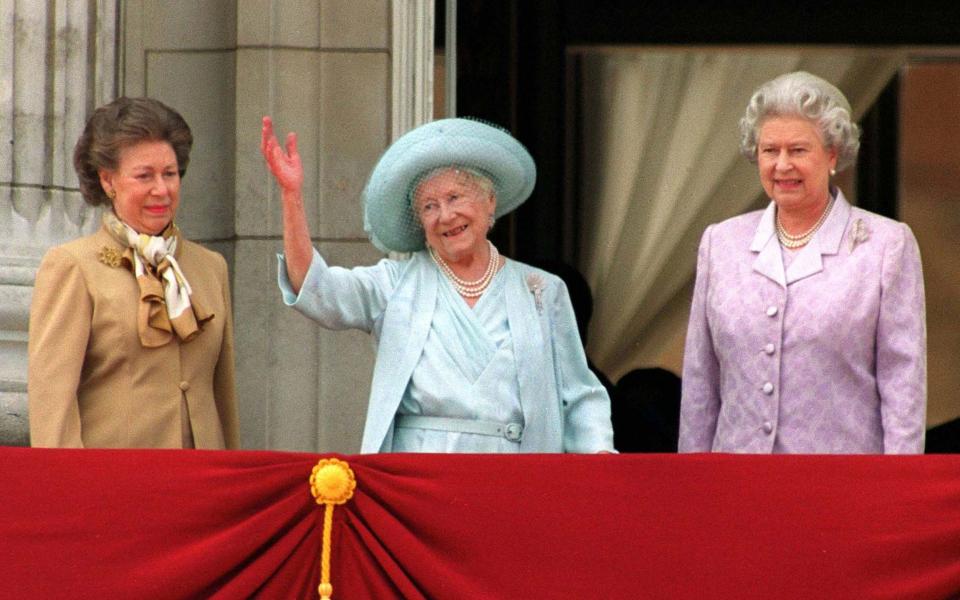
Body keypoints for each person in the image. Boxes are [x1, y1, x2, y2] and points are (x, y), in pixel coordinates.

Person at [261, 116, 614, 453]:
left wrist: (599, 457)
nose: (445, 216)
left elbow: (580, 395)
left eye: (455, 198)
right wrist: (292, 197)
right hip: (419, 476)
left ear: (489, 201)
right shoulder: (394, 284)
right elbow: (318, 289)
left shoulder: (542, 291)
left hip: (515, 478)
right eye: (429, 207)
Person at [679, 71, 926, 454]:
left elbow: (903, 385)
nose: (782, 166)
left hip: (841, 489)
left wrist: (899, 493)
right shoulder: (721, 243)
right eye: (769, 150)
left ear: (831, 155)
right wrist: (693, 483)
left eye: (798, 150)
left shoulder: (885, 246)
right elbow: (701, 381)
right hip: (736, 487)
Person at [28, 97, 239, 449]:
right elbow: (53, 406)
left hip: (201, 484)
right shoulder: (74, 266)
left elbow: (223, 397)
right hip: (115, 487)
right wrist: (68, 493)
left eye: (170, 174)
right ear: (108, 180)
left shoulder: (209, 267)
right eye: (144, 176)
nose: (162, 189)